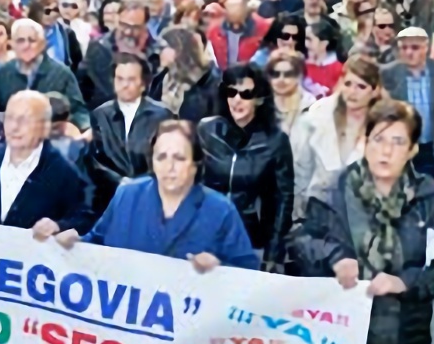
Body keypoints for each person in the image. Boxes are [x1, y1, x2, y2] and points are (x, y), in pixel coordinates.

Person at [291, 100, 434, 344]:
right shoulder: (334, 188)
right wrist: (334, 257)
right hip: (335, 327)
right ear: (364, 141)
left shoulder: (429, 197)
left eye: (398, 141)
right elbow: (300, 237)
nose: (386, 150)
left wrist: (405, 282)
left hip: (396, 336)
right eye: (378, 139)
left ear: (413, 150)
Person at [56, 119, 259, 271]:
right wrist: (75, 243)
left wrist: (219, 268)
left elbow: (247, 273)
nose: (169, 167)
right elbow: (97, 242)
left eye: (179, 158)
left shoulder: (220, 210)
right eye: (161, 157)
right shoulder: (127, 195)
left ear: (195, 165)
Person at [0, 90, 95, 237]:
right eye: (10, 118)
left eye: (24, 120)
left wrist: (58, 226)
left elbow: (83, 219)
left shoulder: (64, 172)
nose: (14, 127)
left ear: (44, 127)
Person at [198, 63, 294, 267]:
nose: (237, 100)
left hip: (250, 239)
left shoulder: (276, 141)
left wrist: (273, 253)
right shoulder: (207, 130)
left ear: (259, 98)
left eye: (246, 94)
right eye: (231, 92)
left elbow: (282, 202)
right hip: (204, 233)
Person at [292, 54, 383, 218]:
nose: (352, 92)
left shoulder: (385, 124)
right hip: (317, 210)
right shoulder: (319, 114)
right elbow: (301, 169)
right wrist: (297, 216)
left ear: (375, 90)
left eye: (361, 86)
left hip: (363, 215)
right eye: (348, 84)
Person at [89, 53, 173, 213]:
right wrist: (120, 183)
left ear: (143, 84)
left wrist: (139, 186)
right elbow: (95, 160)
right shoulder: (100, 115)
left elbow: (166, 157)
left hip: (151, 197)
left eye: (131, 80)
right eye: (119, 79)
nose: (124, 85)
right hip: (109, 196)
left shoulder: (163, 115)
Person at [381, 26, 434, 178]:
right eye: (404, 48)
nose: (409, 52)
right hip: (401, 150)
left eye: (415, 47)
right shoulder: (387, 73)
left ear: (426, 47)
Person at [0, 18, 89, 131]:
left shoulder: (62, 74)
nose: (26, 45)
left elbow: (80, 113)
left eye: (32, 40)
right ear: (12, 44)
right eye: (20, 41)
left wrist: (74, 132)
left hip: (52, 139)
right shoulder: (2, 74)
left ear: (43, 44)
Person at [79, 0, 162, 110]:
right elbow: (83, 86)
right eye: (124, 25)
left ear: (145, 25)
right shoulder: (99, 48)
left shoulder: (158, 52)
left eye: (135, 27)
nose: (128, 32)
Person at [149, 27, 221, 122]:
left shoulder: (211, 83)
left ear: (179, 50)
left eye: (163, 48)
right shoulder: (159, 80)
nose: (158, 52)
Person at [206, 0, 270, 69]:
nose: (234, 12)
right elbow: (210, 57)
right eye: (231, 10)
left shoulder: (263, 27)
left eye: (238, 11)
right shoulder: (215, 31)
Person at [266, 49, 316, 134]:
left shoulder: (309, 105)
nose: (281, 80)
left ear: (299, 76)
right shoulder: (264, 103)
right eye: (276, 74)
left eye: (288, 74)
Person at [304, 19, 345, 97]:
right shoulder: (302, 65)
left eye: (309, 39)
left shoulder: (338, 68)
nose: (305, 44)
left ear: (324, 43)